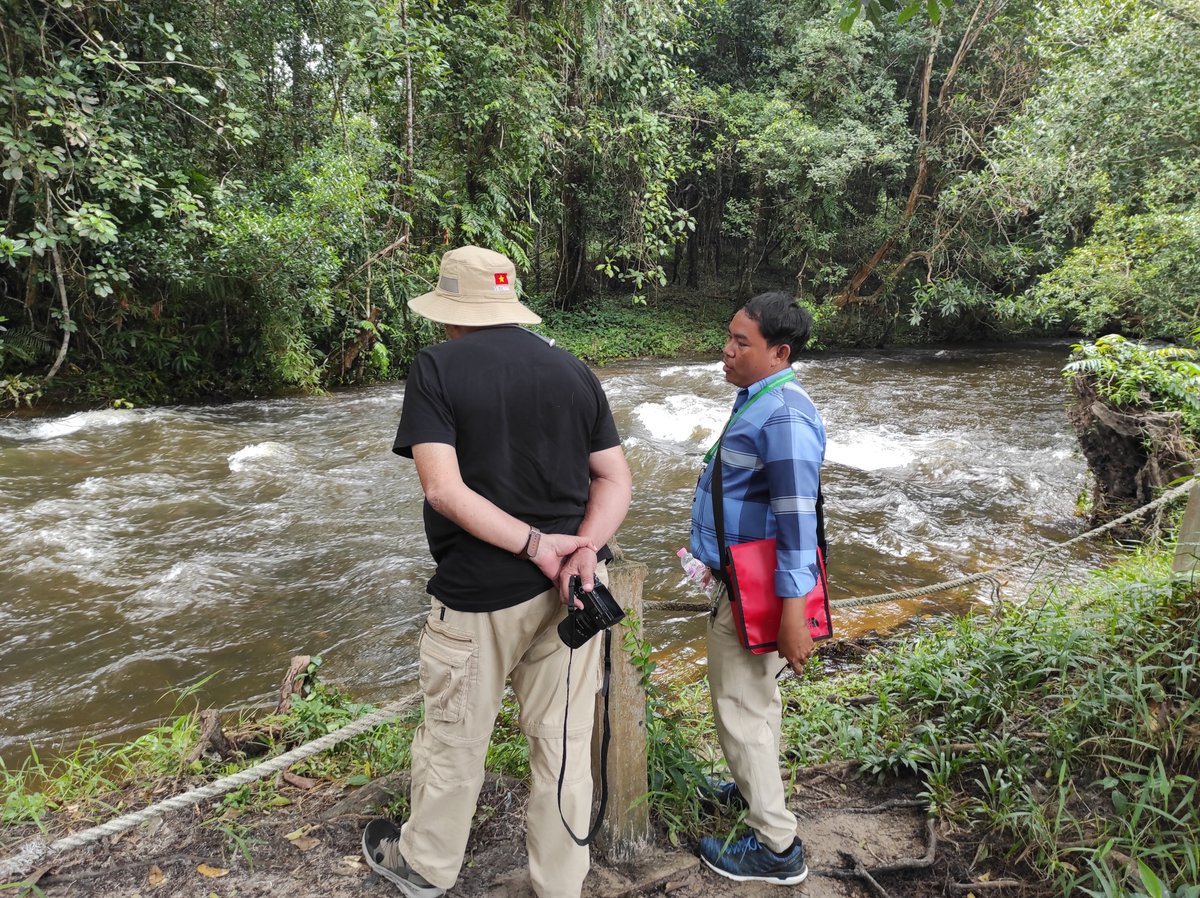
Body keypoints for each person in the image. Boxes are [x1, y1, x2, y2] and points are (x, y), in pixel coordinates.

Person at [361, 245, 632, 898]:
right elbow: (615, 478)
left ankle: (424, 867)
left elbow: (443, 491)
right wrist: (584, 549)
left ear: (451, 313)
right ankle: (560, 884)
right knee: (565, 747)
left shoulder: (437, 368)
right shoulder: (573, 372)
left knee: (455, 740)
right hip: (571, 595)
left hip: (479, 595)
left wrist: (538, 544)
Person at [688, 291, 826, 885]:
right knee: (755, 703)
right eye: (729, 336)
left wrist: (792, 614)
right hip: (743, 582)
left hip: (759, 592)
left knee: (740, 708)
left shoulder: (785, 415)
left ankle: (776, 847)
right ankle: (752, 787)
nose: (727, 351)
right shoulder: (758, 400)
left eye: (741, 343)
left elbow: (799, 521)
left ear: (779, 352)